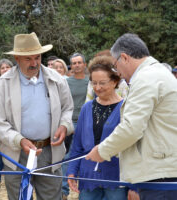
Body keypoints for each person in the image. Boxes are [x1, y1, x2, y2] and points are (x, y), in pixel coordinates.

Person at [86, 33, 177, 200]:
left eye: (115, 66)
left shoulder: (146, 78)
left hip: (160, 175)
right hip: (161, 171)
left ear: (124, 58)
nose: (117, 73)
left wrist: (102, 150)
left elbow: (131, 128)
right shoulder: (155, 74)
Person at [0, 32, 74, 200]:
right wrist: (19, 140)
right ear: (16, 58)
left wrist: (64, 125)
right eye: (28, 59)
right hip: (16, 154)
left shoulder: (57, 79)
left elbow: (68, 108)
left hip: (50, 152)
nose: (34, 63)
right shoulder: (1, 85)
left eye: (37, 57)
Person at [67, 55, 127, 200]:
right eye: (94, 83)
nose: (97, 88)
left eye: (102, 83)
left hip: (116, 177)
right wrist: (72, 171)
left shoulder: (126, 108)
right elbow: (77, 144)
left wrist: (134, 186)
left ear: (114, 81)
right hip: (88, 178)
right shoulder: (87, 108)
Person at [62, 52, 89, 199]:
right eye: (74, 63)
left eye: (79, 62)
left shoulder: (91, 82)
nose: (77, 65)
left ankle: (84, 190)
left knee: (85, 157)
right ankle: (63, 191)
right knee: (68, 156)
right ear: (71, 66)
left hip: (86, 122)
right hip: (70, 122)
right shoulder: (66, 82)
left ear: (84, 64)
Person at [0, 58, 13, 193]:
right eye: (2, 68)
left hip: (16, 123)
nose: (5, 69)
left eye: (7, 67)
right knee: (0, 152)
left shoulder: (18, 83)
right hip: (1, 123)